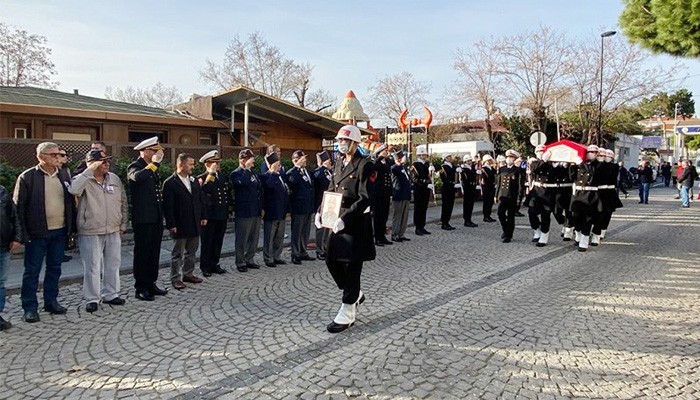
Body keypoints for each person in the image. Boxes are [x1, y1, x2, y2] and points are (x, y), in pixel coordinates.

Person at [315, 125, 375, 333]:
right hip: (335, 220)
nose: (341, 144)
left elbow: (365, 198)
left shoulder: (365, 165)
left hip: (355, 223)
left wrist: (346, 219)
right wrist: (320, 211)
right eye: (339, 140)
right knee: (330, 259)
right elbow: (331, 190)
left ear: (355, 143)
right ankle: (355, 293)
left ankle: (348, 310)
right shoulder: (339, 163)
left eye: (345, 141)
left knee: (351, 267)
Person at [13, 142, 75, 322]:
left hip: (60, 231)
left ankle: (51, 301)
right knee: (32, 271)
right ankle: (30, 307)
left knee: (55, 268)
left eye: (59, 154)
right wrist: (21, 235)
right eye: (53, 154)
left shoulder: (63, 175)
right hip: (37, 233)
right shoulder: (28, 177)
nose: (58, 157)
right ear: (41, 157)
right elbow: (19, 208)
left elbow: (70, 203)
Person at [69, 150, 128, 312]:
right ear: (92, 163)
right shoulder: (83, 179)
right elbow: (73, 190)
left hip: (113, 228)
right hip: (91, 229)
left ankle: (111, 293)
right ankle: (92, 298)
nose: (107, 164)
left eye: (107, 161)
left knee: (113, 263)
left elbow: (123, 200)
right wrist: (89, 170)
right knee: (93, 266)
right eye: (102, 161)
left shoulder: (114, 179)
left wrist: (123, 223)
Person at [128, 137, 167, 301]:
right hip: (143, 218)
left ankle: (151, 282)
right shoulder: (135, 166)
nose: (157, 154)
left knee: (154, 252)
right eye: (154, 151)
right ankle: (141, 287)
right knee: (143, 253)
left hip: (155, 217)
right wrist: (155, 164)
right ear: (144, 151)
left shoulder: (151, 168)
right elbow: (138, 178)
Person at [163, 153, 207, 290]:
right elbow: (168, 206)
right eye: (190, 164)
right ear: (181, 165)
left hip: (194, 221)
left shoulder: (193, 180)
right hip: (180, 224)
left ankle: (188, 273)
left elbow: (200, 200)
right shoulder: (170, 183)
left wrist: (203, 216)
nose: (193, 167)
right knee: (178, 253)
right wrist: (171, 224)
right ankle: (175, 277)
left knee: (192, 251)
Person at [197, 150, 232, 277]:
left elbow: (226, 194)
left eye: (217, 163)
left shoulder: (222, 176)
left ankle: (214, 264)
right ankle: (205, 266)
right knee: (207, 242)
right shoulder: (201, 178)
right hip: (209, 215)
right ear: (207, 164)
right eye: (214, 163)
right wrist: (210, 173)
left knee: (218, 241)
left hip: (221, 213)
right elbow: (207, 189)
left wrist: (228, 209)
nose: (217, 165)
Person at [231, 149, 263, 272]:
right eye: (250, 159)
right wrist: (246, 169)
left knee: (254, 238)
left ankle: (250, 259)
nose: (253, 161)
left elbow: (259, 191)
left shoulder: (253, 172)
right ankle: (240, 262)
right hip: (244, 211)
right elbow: (242, 185)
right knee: (242, 238)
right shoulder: (236, 174)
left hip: (255, 210)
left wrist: (261, 208)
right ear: (243, 160)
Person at [570, 145, 603, 252]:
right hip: (579, 193)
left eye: (593, 152)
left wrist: (581, 163)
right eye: (589, 151)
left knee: (587, 219)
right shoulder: (581, 164)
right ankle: (578, 235)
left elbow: (591, 173)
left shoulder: (598, 165)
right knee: (575, 218)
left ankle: (584, 240)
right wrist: (571, 165)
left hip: (590, 194)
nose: (591, 153)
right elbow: (572, 177)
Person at [287, 150, 316, 265]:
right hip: (298, 207)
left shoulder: (306, 171)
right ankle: (295, 253)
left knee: (305, 231)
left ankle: (303, 251)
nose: (305, 161)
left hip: (307, 206)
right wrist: (297, 167)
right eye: (302, 159)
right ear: (296, 160)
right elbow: (291, 183)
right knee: (297, 231)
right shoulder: (292, 172)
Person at [0, 177, 22, 330]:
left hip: (3, 246)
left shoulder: (1, 192)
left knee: (1, 283)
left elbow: (14, 216)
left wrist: (17, 237)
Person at [260, 152, 289, 267]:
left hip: (281, 211)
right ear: (271, 165)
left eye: (279, 163)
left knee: (279, 236)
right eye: (277, 163)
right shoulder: (265, 176)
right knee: (270, 236)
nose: (279, 166)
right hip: (271, 211)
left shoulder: (281, 176)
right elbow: (269, 187)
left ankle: (277, 256)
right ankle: (268, 257)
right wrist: (272, 172)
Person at [591, 148, 623, 246]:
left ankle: (601, 231)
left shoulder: (612, 166)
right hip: (596, 192)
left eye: (608, 156)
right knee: (595, 214)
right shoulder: (593, 165)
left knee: (606, 214)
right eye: (601, 156)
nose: (605, 158)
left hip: (608, 193)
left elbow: (610, 175)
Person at [526, 145, 555, 246]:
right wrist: (543, 160)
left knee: (545, 214)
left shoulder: (551, 163)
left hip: (548, 191)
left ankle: (544, 235)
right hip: (537, 191)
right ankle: (536, 229)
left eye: (542, 151)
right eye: (538, 151)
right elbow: (535, 170)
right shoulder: (534, 163)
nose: (540, 153)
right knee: (531, 212)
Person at [495, 150, 523, 243]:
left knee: (511, 216)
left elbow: (520, 185)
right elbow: (498, 183)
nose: (509, 159)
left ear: (514, 159)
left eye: (511, 157)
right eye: (508, 157)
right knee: (500, 213)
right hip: (503, 195)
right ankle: (505, 229)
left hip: (512, 196)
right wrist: (496, 195)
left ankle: (508, 235)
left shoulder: (517, 170)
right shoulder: (502, 169)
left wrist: (519, 198)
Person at [371, 145, 394, 246]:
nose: (386, 152)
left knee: (384, 216)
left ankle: (382, 236)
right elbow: (374, 166)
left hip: (386, 193)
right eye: (384, 151)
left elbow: (393, 162)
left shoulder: (387, 162)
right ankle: (377, 237)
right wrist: (379, 157)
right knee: (378, 216)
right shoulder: (377, 162)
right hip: (378, 193)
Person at [312, 151, 333, 259]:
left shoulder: (329, 172)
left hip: (329, 202)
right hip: (320, 202)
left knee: (327, 227)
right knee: (320, 228)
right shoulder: (318, 172)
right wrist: (322, 167)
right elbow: (318, 180)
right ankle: (319, 249)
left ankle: (325, 247)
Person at [409, 147, 433, 235]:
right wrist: (426, 184)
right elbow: (414, 179)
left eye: (424, 154)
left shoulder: (427, 164)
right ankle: (418, 227)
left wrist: (432, 170)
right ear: (418, 155)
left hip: (426, 189)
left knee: (424, 208)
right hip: (419, 189)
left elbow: (429, 176)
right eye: (421, 154)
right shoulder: (415, 165)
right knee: (418, 208)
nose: (423, 156)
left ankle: (422, 226)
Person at [390, 151, 411, 242]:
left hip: (406, 194)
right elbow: (394, 170)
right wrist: (397, 162)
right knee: (397, 216)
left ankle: (401, 233)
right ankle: (395, 234)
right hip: (398, 195)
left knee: (404, 216)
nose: (406, 158)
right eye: (404, 156)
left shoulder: (404, 168)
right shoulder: (395, 167)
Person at [439, 153, 458, 230]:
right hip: (446, 187)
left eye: (450, 156)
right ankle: (444, 222)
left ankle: (447, 221)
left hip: (452, 187)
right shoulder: (443, 167)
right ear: (445, 158)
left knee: (450, 205)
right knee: (446, 206)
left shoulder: (453, 166)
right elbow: (443, 178)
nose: (450, 158)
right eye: (449, 157)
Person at [459, 154, 479, 227]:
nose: (470, 162)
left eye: (470, 160)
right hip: (467, 187)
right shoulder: (463, 169)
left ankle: (469, 219)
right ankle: (466, 220)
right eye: (468, 161)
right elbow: (461, 179)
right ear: (465, 161)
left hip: (472, 186)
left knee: (471, 204)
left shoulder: (472, 168)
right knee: (467, 204)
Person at [480, 154, 497, 223]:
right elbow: (482, 179)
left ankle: (488, 215)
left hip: (491, 186)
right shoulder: (483, 169)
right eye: (488, 160)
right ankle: (485, 216)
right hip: (486, 187)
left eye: (490, 160)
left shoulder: (491, 168)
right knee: (486, 202)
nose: (489, 161)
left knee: (490, 202)